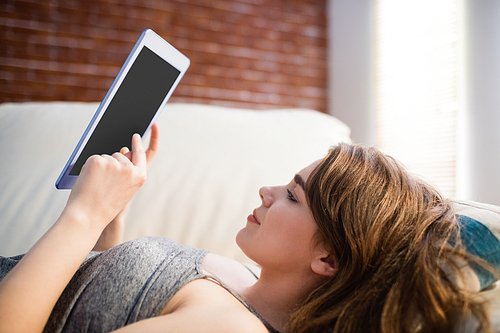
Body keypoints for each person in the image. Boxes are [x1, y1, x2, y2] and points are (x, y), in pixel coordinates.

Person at [0, 124, 492, 333]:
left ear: (329, 260)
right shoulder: (242, 283)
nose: (267, 191)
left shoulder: (226, 327)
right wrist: (109, 221)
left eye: (293, 196)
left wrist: (81, 216)